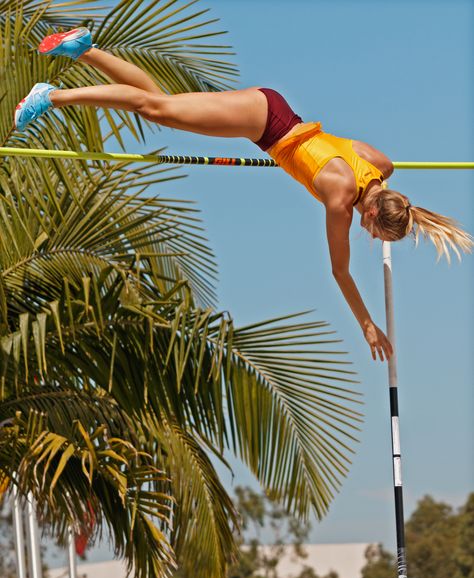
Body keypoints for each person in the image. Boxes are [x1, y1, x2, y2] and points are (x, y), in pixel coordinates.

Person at [15, 28, 472, 362]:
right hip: (265, 122)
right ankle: (51, 97)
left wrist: (383, 196)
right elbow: (339, 270)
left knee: (161, 106)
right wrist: (367, 325)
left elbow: (386, 166)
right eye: (374, 229)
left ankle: (85, 50)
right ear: (371, 211)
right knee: (154, 107)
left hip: (275, 113)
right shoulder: (341, 196)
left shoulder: (373, 167)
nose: (369, 235)